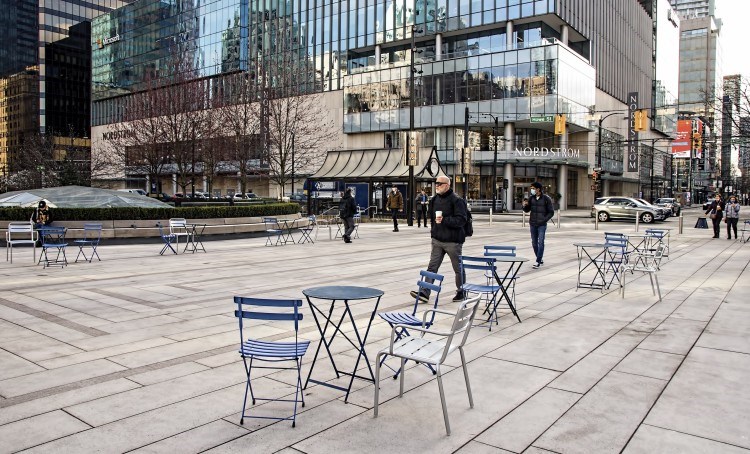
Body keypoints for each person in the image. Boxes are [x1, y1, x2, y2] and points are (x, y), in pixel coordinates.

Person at [410, 176, 468, 303]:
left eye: (439, 184)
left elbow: (462, 219)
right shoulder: (434, 199)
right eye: (436, 183)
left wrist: (445, 220)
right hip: (437, 240)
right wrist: (433, 233)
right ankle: (425, 292)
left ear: (447, 185)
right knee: (432, 267)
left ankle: (461, 291)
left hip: (453, 241)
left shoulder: (457, 200)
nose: (436, 185)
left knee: (458, 268)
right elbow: (432, 218)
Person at [522, 181, 554, 269]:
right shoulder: (531, 198)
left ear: (538, 189)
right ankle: (539, 258)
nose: (531, 190)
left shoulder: (546, 199)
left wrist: (544, 220)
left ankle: (538, 261)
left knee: (541, 242)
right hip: (532, 223)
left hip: (542, 225)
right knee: (534, 243)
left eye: (533, 188)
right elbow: (527, 210)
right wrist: (524, 206)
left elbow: (551, 212)